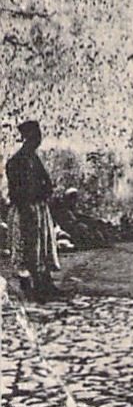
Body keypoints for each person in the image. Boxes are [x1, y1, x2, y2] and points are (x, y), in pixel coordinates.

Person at [6, 121, 63, 300]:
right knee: (28, 246)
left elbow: (46, 180)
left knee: (42, 246)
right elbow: (16, 190)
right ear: (28, 138)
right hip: (26, 209)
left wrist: (45, 193)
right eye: (35, 136)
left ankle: (45, 283)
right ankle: (32, 286)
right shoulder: (16, 162)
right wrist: (26, 208)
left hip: (38, 208)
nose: (38, 140)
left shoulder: (33, 158)